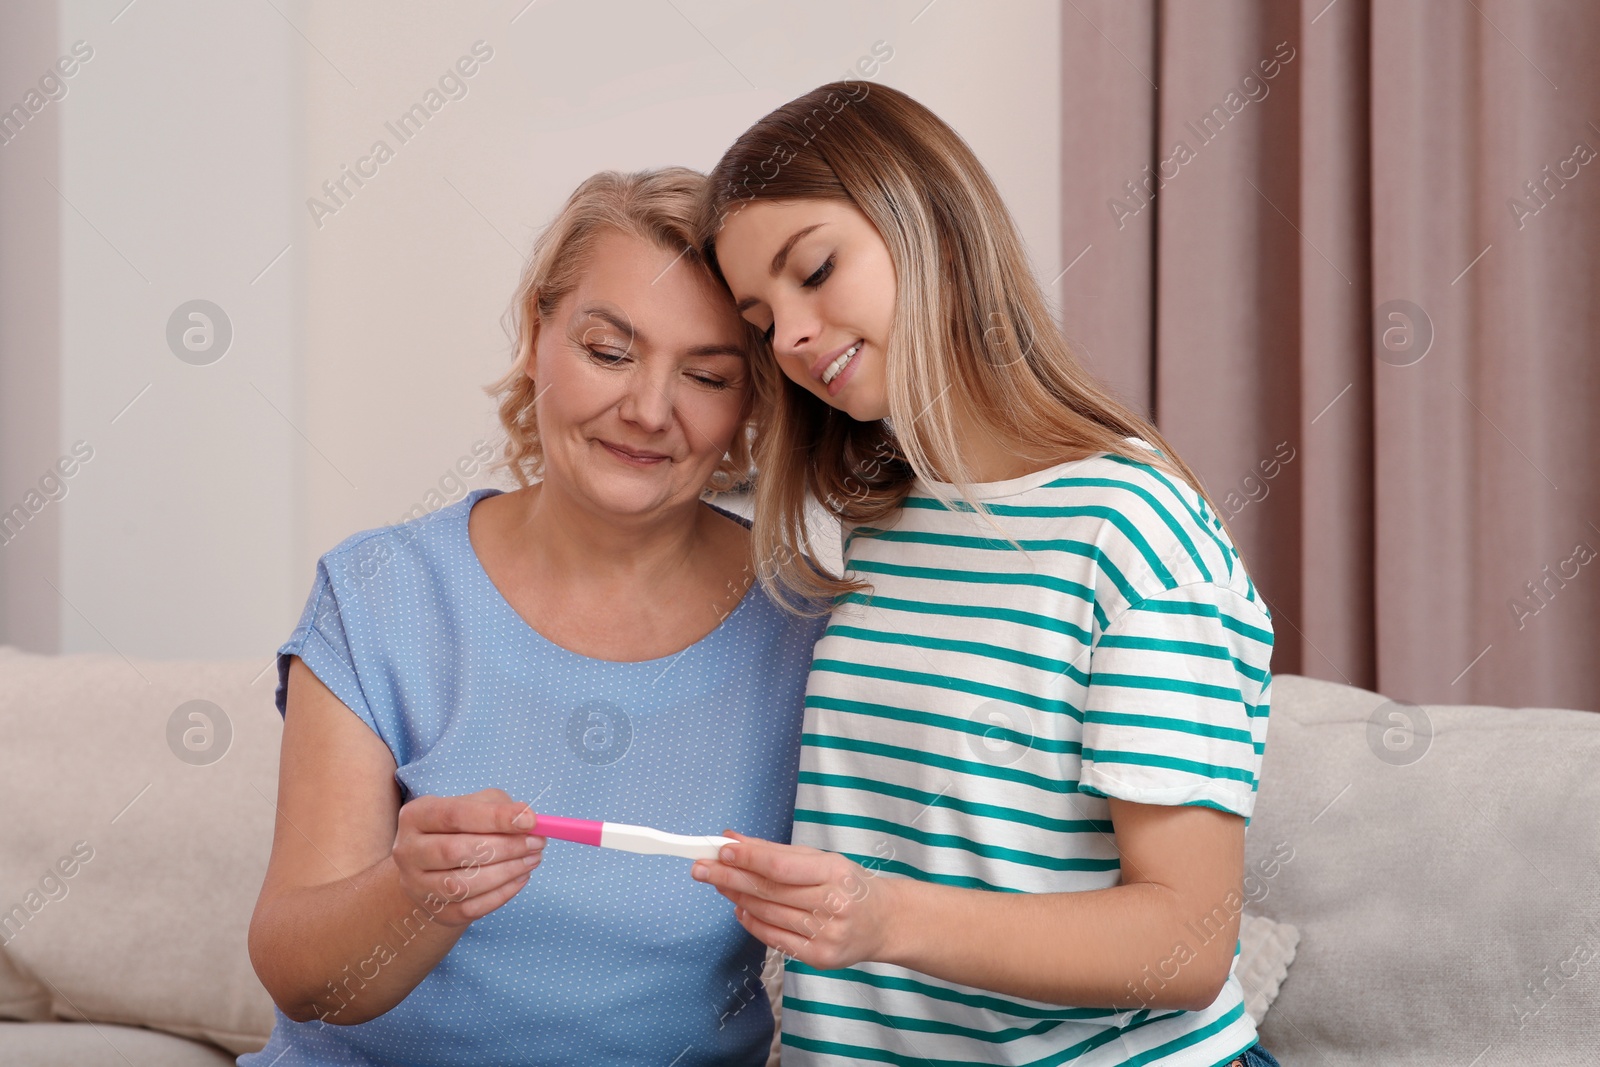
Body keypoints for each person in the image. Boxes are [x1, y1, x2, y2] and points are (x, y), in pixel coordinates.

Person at [685, 82, 1283, 1067]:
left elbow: (1184, 943)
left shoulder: (1132, 526)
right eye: (759, 316)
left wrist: (882, 918)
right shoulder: (890, 522)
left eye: (816, 270)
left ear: (931, 223)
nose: (789, 333)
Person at [241, 168, 824, 1066]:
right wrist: (414, 896)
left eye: (707, 374)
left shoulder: (808, 630)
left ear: (752, 403)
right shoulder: (380, 595)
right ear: (536, 336)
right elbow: (299, 973)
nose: (648, 409)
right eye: (608, 350)